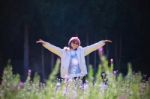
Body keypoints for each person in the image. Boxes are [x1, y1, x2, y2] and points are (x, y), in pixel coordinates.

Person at [36, 37, 112, 83]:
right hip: (68, 76)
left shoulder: (82, 51)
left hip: (79, 76)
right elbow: (53, 48)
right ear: (70, 43)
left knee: (80, 94)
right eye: (74, 42)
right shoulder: (64, 52)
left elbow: (93, 47)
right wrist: (44, 43)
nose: (75, 44)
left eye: (77, 43)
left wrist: (103, 42)